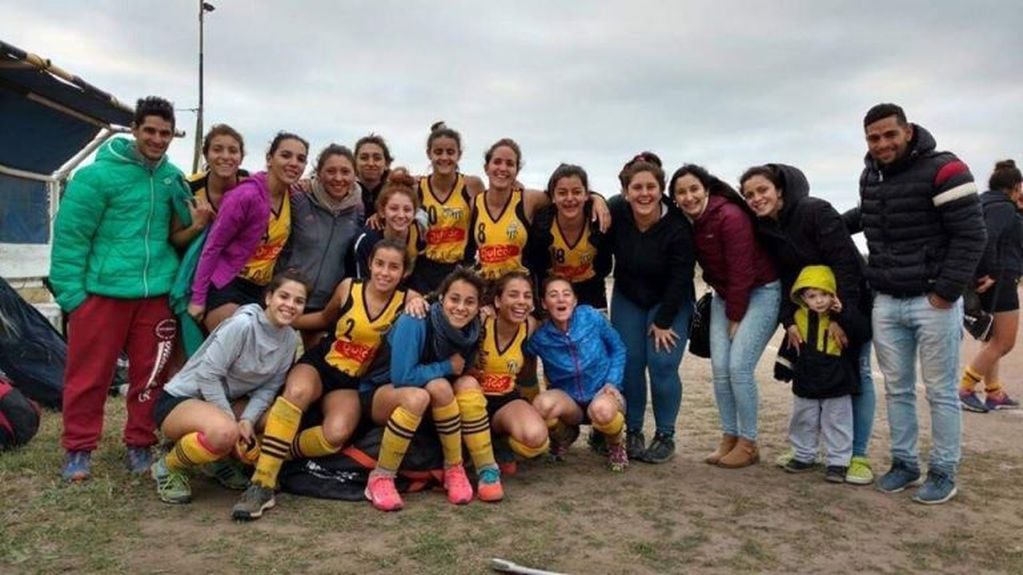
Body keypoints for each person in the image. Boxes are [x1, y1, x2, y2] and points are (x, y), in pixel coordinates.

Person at [845, 103, 986, 504]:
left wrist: (945, 292)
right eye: (874, 138)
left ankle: (943, 471)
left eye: (890, 134)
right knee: (897, 389)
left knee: (940, 391)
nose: (882, 143)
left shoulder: (946, 169)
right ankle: (904, 464)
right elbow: (868, 217)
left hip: (933, 301)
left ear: (907, 131)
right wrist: (825, 224)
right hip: (886, 300)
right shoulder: (870, 175)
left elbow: (972, 235)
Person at [50, 96, 191, 481]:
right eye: (150, 131)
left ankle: (139, 443)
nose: (157, 139)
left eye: (165, 133)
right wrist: (73, 298)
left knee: (149, 376)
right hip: (103, 293)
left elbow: (183, 231)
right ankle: (79, 449)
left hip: (155, 295)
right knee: (89, 374)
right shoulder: (96, 177)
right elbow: (70, 238)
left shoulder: (171, 178)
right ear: (134, 130)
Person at [231, 240, 411, 520]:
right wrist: (279, 321)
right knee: (298, 391)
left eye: (393, 267)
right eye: (380, 264)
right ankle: (262, 485)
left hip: (352, 382)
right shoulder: (349, 287)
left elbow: (437, 307)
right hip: (322, 363)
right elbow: (324, 319)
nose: (385, 272)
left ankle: (268, 453)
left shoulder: (409, 300)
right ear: (370, 264)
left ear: (404, 272)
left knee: (336, 434)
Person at [742, 163, 876, 485]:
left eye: (762, 190)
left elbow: (846, 265)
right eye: (749, 194)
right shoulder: (766, 228)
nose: (757, 198)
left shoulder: (816, 211)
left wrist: (841, 316)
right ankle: (805, 452)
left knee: (857, 373)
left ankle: (855, 455)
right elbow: (785, 276)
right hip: (806, 311)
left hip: (850, 302)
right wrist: (789, 320)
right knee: (811, 378)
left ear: (780, 190)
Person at [149, 272, 307, 504]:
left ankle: (217, 461)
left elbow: (268, 389)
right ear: (269, 298)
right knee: (225, 432)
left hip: (224, 403)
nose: (290, 305)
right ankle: (168, 466)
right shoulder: (242, 325)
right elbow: (208, 375)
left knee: (278, 416)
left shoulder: (290, 340)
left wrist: (248, 420)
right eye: (284, 296)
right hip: (182, 400)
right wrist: (232, 422)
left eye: (299, 301)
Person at [362, 268, 501, 511]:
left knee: (466, 385)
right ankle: (381, 477)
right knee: (421, 394)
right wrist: (447, 365)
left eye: (470, 302)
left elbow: (460, 373)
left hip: (432, 399)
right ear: (441, 298)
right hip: (382, 392)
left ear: (479, 306)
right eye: (454, 299)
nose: (460, 307)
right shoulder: (415, 318)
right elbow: (402, 377)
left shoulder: (472, 328)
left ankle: (475, 470)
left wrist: (449, 370)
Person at [671, 164, 780, 469]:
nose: (689, 196)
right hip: (724, 294)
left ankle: (748, 443)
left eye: (694, 189)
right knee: (720, 367)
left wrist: (736, 314)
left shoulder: (730, 216)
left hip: (759, 291)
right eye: (681, 192)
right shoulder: (687, 220)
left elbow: (742, 269)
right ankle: (729, 437)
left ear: (706, 189)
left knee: (739, 366)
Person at [608, 153, 695, 463]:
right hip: (628, 295)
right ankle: (632, 430)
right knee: (630, 363)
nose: (644, 194)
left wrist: (663, 320)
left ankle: (665, 434)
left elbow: (681, 277)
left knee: (661, 364)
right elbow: (589, 206)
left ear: (661, 190)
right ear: (626, 191)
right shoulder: (616, 211)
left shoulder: (677, 225)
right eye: (637, 187)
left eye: (651, 187)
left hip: (670, 299)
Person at [189, 132, 309, 332]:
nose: (293, 163)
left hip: (263, 290)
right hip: (228, 285)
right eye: (285, 155)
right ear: (269, 159)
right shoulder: (245, 196)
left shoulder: (292, 194)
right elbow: (213, 247)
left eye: (301, 159)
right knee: (239, 337)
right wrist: (198, 299)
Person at [774, 266, 869, 483]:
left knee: (837, 421)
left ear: (834, 293)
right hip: (805, 378)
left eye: (825, 294)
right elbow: (790, 345)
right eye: (812, 296)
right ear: (802, 297)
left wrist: (843, 313)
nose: (819, 300)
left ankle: (838, 461)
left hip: (837, 379)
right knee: (803, 419)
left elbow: (862, 333)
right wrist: (784, 367)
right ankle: (804, 454)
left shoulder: (842, 317)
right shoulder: (797, 318)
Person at [470, 139, 610, 283]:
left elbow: (564, 196)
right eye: (497, 162)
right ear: (486, 167)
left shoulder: (530, 199)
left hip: (519, 290)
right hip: (485, 287)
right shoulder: (474, 202)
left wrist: (596, 198)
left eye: (510, 164)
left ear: (517, 171)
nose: (503, 168)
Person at [526, 277, 629, 471]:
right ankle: (565, 435)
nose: (561, 300)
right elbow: (521, 353)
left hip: (602, 392)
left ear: (574, 300)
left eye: (566, 294)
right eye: (553, 295)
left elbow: (618, 348)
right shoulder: (541, 336)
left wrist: (612, 382)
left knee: (603, 411)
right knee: (541, 405)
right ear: (544, 304)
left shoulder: (591, 317)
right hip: (568, 401)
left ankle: (615, 445)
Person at [277, 144, 362, 349]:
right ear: (319, 173)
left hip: (323, 305)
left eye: (345, 171)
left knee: (318, 361)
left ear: (354, 175)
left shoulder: (358, 209)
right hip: (288, 294)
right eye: (330, 171)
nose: (338, 178)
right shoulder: (299, 197)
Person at [959, 160, 1023, 412]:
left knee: (992, 339)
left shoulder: (984, 202)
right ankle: (965, 388)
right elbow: (989, 237)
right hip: (1001, 280)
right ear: (1016, 186)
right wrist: (994, 272)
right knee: (1004, 343)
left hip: (984, 280)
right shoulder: (1003, 208)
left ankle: (994, 391)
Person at [469, 272, 549, 469]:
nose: (521, 302)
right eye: (513, 295)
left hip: (504, 402)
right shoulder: (479, 321)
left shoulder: (530, 326)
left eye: (527, 296)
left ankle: (501, 443)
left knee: (536, 438)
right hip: (469, 402)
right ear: (497, 300)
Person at [526, 163, 613, 310]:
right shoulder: (542, 225)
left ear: (587, 195)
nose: (570, 198)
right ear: (552, 197)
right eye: (562, 193)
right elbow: (537, 267)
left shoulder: (599, 222)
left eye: (577, 192)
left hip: (591, 292)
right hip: (553, 292)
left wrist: (598, 198)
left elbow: (604, 267)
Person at [410, 123, 485, 292]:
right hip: (424, 269)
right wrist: (378, 215)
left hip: (460, 269)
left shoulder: (472, 185)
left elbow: (492, 209)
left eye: (450, 152)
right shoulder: (417, 188)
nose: (444, 157)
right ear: (429, 154)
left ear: (459, 154)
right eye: (438, 152)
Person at [354, 171, 426, 284]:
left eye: (407, 210)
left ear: (415, 212)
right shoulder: (367, 239)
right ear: (382, 211)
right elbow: (361, 282)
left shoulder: (420, 234)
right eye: (394, 209)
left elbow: (418, 276)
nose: (401, 215)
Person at [354, 134, 393, 221]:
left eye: (377, 158)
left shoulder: (395, 193)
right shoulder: (345, 193)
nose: (371, 163)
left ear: (387, 164)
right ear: (355, 163)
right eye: (364, 158)